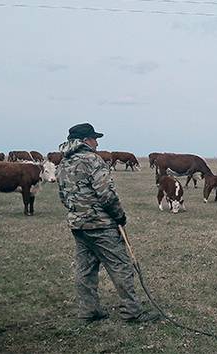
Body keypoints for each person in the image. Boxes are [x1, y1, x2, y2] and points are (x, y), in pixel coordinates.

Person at [56, 122, 159, 323]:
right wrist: (119, 215)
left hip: (78, 225)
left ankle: (88, 311)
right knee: (121, 266)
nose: (96, 143)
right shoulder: (92, 160)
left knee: (85, 270)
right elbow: (106, 194)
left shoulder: (64, 163)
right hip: (101, 225)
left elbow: (63, 196)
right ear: (85, 141)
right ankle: (132, 312)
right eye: (94, 139)